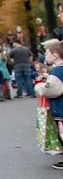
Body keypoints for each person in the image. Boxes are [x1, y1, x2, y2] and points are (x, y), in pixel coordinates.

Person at [34, 41, 63, 169]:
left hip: (60, 108)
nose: (46, 57)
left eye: (48, 54)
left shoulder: (58, 71)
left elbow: (50, 89)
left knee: (62, 133)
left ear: (55, 55)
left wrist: (39, 86)